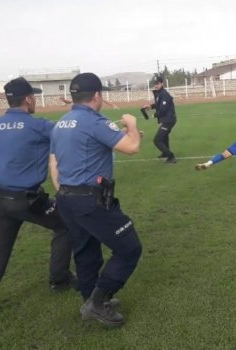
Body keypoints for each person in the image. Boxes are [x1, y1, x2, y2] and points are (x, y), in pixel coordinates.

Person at [0, 77, 75, 326]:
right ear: (28, 99)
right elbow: (67, 133)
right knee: (65, 224)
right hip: (27, 200)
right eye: (33, 97)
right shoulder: (37, 126)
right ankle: (59, 278)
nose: (35, 100)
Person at [50, 72, 142, 327]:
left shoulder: (62, 122)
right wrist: (131, 125)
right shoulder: (94, 121)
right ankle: (98, 302)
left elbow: (55, 161)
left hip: (67, 196)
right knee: (129, 247)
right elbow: (132, 147)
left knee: (86, 251)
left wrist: (63, 191)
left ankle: (92, 300)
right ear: (98, 95)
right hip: (89, 200)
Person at [142, 75, 177, 164]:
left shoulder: (164, 94)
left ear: (162, 83)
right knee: (164, 136)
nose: (156, 85)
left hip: (169, 120)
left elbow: (163, 110)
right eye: (155, 84)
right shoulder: (159, 93)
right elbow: (158, 104)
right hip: (166, 120)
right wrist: (150, 106)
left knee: (157, 140)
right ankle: (165, 153)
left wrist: (153, 116)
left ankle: (171, 156)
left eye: (157, 83)